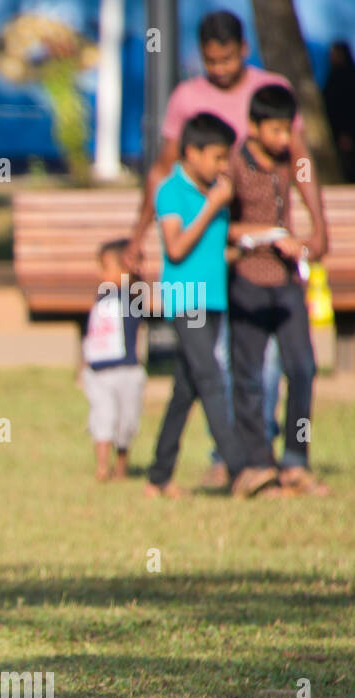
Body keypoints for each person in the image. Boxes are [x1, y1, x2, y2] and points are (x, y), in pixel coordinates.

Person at [124, 11, 327, 488]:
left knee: (270, 367)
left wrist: (319, 225)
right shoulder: (187, 98)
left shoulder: (269, 91)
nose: (218, 69)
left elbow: (300, 160)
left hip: (255, 258)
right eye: (210, 61)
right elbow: (162, 171)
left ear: (245, 49)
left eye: (227, 59)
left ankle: (277, 459)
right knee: (227, 369)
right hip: (225, 254)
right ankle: (241, 461)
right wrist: (138, 232)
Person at [144, 114, 277, 500]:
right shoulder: (171, 191)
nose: (223, 167)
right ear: (192, 152)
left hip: (214, 298)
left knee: (186, 389)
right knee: (212, 379)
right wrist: (212, 206)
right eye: (218, 158)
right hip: (187, 299)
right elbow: (177, 248)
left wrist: (260, 244)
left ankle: (157, 476)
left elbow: (213, 252)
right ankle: (240, 470)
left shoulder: (213, 194)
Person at [227, 84, 329, 496]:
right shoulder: (234, 163)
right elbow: (220, 227)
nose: (284, 138)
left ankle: (295, 460)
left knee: (302, 369)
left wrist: (307, 241)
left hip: (286, 283)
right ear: (253, 127)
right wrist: (259, 234)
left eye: (289, 129)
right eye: (275, 130)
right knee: (249, 378)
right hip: (248, 282)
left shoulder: (293, 161)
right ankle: (257, 463)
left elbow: (319, 228)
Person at [79, 240, 146, 482]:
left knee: (126, 422)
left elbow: (140, 287)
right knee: (103, 416)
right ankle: (102, 467)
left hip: (127, 371)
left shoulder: (133, 296)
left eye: (105, 267)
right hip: (99, 373)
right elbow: (91, 336)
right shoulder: (100, 299)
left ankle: (121, 466)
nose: (100, 273)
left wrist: (135, 270)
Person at [323, 42, 355, 184]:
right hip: (336, 134)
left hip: (346, 135)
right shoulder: (332, 77)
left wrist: (347, 132)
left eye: (335, 54)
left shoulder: (347, 79)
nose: (332, 58)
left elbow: (347, 108)